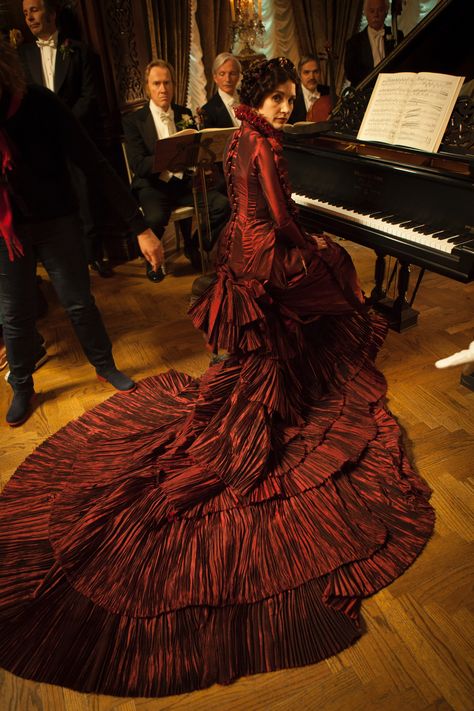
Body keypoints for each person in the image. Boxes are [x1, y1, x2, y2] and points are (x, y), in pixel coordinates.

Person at [0, 57, 433, 697]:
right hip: (268, 254)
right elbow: (283, 219)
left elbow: (252, 206)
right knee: (338, 273)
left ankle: (285, 376)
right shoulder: (263, 140)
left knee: (296, 309)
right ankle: (309, 378)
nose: (287, 108)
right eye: (280, 99)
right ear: (260, 97)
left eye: (292, 99)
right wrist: (310, 246)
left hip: (240, 246)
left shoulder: (240, 134)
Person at [0, 41, 162, 425]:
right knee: (14, 315)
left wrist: (139, 227)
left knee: (78, 302)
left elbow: (94, 163)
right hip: (7, 230)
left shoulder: (40, 103)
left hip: (57, 220)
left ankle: (105, 365)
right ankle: (22, 385)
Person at [20, 0, 113, 277]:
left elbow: (89, 95)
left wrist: (65, 125)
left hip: (74, 135)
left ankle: (92, 255)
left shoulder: (78, 50)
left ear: (51, 12)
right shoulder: (22, 54)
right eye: (25, 14)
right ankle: (62, 263)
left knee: (85, 196)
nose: (29, 18)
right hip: (40, 144)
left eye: (34, 10)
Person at [122, 59, 230, 282]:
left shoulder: (185, 113)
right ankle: (153, 260)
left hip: (184, 182)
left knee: (223, 205)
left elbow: (196, 149)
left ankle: (195, 244)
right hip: (153, 185)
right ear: (147, 87)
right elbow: (138, 165)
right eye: (157, 83)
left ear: (173, 85)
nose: (163, 89)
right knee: (155, 216)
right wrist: (167, 157)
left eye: (167, 83)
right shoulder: (134, 120)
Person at [345, 0, 404, 87]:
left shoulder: (396, 35)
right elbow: (350, 74)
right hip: (365, 93)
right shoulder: (354, 42)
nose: (376, 15)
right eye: (372, 11)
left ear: (386, 12)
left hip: (391, 88)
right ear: (365, 13)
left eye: (380, 10)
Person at [200, 52, 242, 129]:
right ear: (215, 77)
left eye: (232, 73)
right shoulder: (208, 110)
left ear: (239, 76)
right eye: (222, 74)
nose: (227, 79)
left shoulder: (249, 100)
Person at [288, 54, 331, 123]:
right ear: (299, 74)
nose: (312, 77)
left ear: (320, 73)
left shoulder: (328, 92)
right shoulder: (291, 95)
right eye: (306, 72)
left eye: (315, 72)